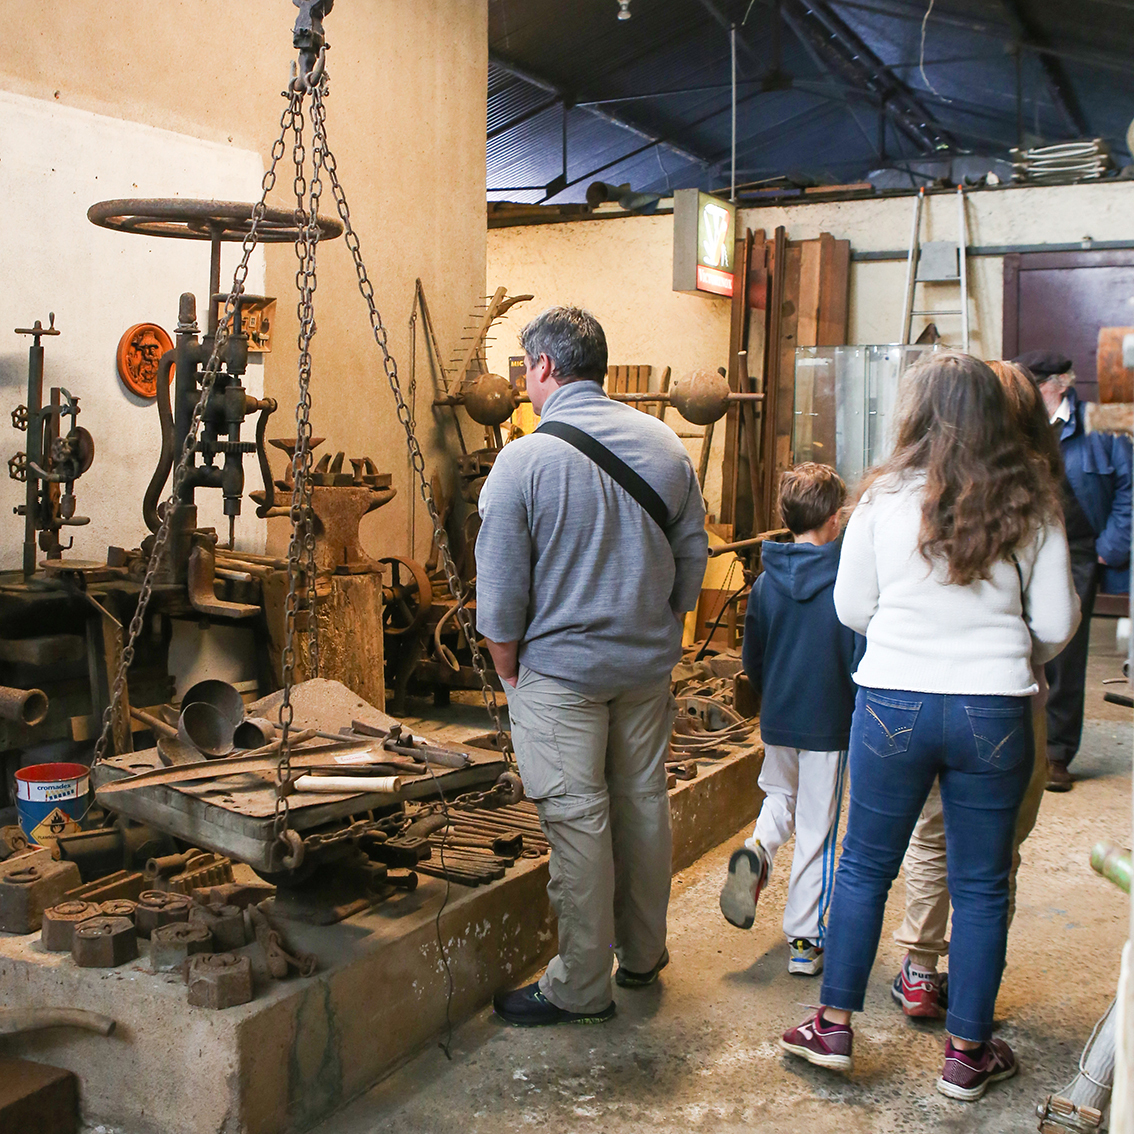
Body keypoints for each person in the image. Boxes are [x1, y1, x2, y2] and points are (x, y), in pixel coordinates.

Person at [778, 351, 1079, 1101]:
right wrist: (1008, 649)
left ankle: (833, 1027)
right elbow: (1057, 621)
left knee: (863, 868)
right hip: (994, 707)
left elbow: (852, 608)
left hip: (893, 703)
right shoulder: (1030, 500)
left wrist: (905, 637)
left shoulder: (881, 499)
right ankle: (966, 1055)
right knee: (981, 886)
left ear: (919, 413)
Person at [476, 306, 708, 1027]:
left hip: (561, 675)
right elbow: (693, 555)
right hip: (643, 669)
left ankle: (580, 986)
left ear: (545, 367)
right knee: (640, 806)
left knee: (578, 823)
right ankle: (641, 956)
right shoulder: (666, 446)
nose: (524, 380)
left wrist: (508, 668)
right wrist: (662, 625)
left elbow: (502, 588)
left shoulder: (523, 459)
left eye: (525, 368)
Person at [890, 360, 1064, 1018]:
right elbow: (1053, 621)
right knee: (997, 850)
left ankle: (918, 969)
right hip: (1013, 698)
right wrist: (1026, 655)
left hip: (921, 693)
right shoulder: (1034, 496)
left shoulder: (923, 487)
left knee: (932, 832)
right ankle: (970, 991)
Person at [718, 462, 858, 977]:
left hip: (778, 717)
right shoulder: (846, 581)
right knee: (818, 830)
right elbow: (857, 657)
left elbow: (752, 659)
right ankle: (804, 939)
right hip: (829, 723)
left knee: (781, 799)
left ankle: (758, 848)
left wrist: (773, 690)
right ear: (835, 519)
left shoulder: (765, 583)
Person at [1013, 349, 1132, 791]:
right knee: (1018, 640)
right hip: (1026, 543)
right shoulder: (1020, 425)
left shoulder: (1100, 425)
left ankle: (1057, 753)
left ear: (1060, 384)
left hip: (1079, 548)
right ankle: (1018, 741)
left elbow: (1128, 488)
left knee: (1063, 648)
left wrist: (1110, 548)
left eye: (1035, 386)